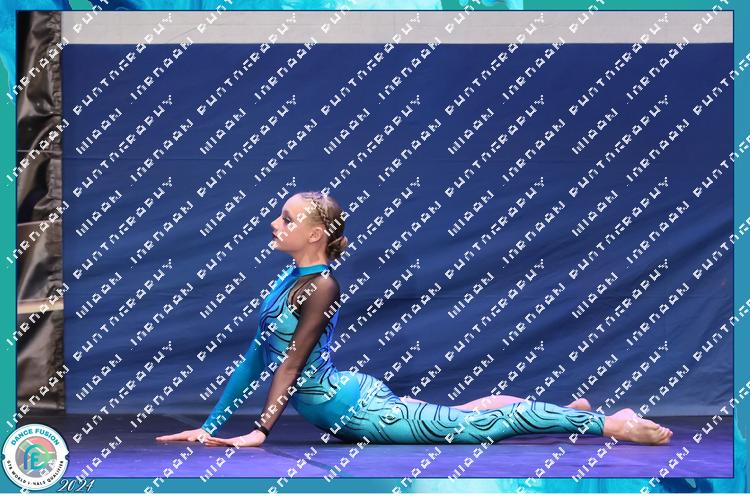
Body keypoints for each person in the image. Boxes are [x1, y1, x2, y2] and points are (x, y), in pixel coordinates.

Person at [156, 191, 673, 447]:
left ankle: (609, 423)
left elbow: (292, 362)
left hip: (359, 412)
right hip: (346, 399)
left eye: (287, 219)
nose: (275, 222)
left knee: (470, 429)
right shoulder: (286, 281)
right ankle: (558, 410)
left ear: (314, 235)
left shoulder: (323, 285)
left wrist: (260, 431)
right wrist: (210, 426)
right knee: (461, 414)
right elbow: (255, 358)